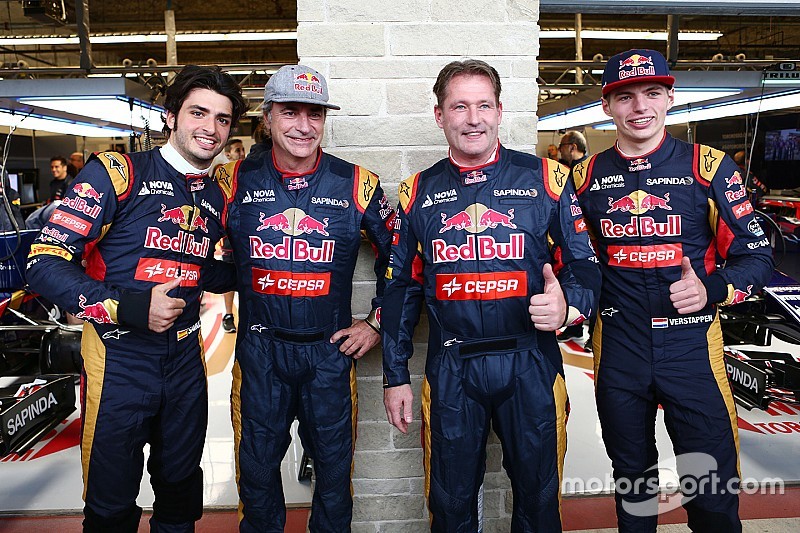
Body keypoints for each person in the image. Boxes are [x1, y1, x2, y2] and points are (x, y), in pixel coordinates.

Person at [26, 65, 247, 532]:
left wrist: (266, 275)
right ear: (171, 116)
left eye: (223, 119)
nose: (210, 128)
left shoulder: (218, 193)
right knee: (110, 505)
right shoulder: (117, 173)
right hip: (118, 360)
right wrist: (128, 307)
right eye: (198, 113)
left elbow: (199, 269)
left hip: (185, 362)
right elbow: (43, 263)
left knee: (181, 495)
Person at [382, 59, 599, 531]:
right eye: (459, 106)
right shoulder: (416, 191)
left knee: (539, 503)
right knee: (451, 506)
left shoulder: (547, 179)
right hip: (451, 368)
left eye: (483, 105)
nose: (473, 118)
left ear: (500, 111)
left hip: (532, 363)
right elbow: (401, 289)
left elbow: (584, 265)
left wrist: (568, 306)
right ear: (440, 115)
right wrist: (394, 375)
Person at [571, 49, 774, 532]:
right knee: (633, 483)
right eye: (625, 96)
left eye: (652, 93)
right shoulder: (583, 177)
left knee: (711, 486)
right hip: (619, 345)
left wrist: (712, 289)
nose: (640, 106)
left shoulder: (709, 166)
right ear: (607, 106)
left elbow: (757, 255)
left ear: (670, 98)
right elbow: (574, 262)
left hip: (692, 345)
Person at [213, 64, 394, 531]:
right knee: (256, 478)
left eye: (315, 114)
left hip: (329, 356)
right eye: (290, 112)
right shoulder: (230, 180)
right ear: (267, 117)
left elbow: (402, 256)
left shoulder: (358, 183)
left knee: (333, 481)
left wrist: (376, 322)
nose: (304, 126)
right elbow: (187, 248)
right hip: (260, 354)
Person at [556, 130, 593, 347]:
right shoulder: (569, 170)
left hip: (589, 235)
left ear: (572, 147)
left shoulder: (585, 171)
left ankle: (592, 335)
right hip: (574, 234)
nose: (560, 151)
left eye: (562, 147)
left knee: (592, 284)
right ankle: (575, 327)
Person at [218, 138, 247, 333]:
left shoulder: (249, 172)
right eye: (238, 150)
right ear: (228, 154)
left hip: (247, 233)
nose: (242, 153)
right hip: (229, 235)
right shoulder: (222, 173)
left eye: (243, 149)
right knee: (229, 272)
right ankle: (228, 314)